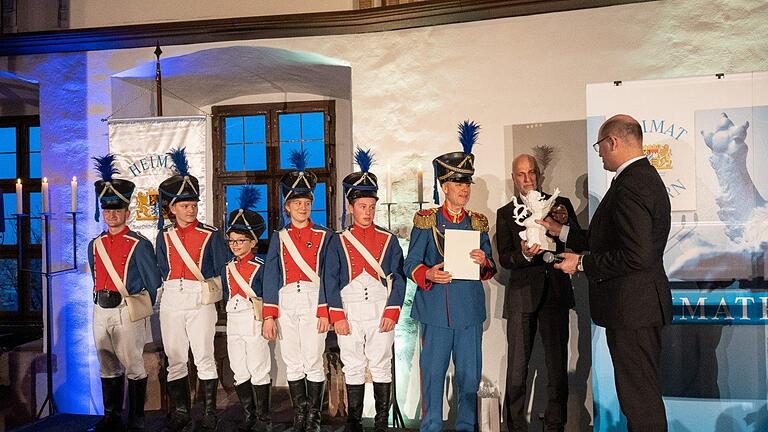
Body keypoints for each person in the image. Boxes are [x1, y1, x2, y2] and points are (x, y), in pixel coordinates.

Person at [538, 114, 672, 432]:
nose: (598, 153)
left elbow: (635, 255)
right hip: (636, 307)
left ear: (613, 142)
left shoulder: (632, 184)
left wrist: (582, 264)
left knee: (639, 400)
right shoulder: (641, 178)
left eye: (600, 145)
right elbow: (609, 239)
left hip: (632, 309)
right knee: (639, 397)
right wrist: (562, 231)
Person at [404, 121, 497, 432]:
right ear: (444, 186)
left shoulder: (478, 222)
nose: (464, 190)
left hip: (468, 309)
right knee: (432, 373)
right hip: (435, 309)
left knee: (470, 374)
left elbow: (490, 266)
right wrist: (428, 272)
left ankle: (467, 426)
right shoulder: (426, 221)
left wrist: (484, 260)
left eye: (467, 185)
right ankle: (431, 425)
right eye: (459, 184)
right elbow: (411, 263)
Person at [323, 148, 407, 432]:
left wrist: (393, 312)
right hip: (350, 310)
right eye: (362, 206)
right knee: (353, 365)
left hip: (380, 310)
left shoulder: (389, 239)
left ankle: (381, 422)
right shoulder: (338, 240)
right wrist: (338, 316)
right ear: (350, 207)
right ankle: (354, 422)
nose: (368, 212)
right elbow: (330, 279)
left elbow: (400, 277)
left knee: (381, 364)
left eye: (371, 206)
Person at [496, 154, 579, 432]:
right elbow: (505, 259)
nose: (527, 178)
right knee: (517, 370)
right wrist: (522, 253)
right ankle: (516, 426)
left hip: (555, 293)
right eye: (521, 174)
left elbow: (577, 240)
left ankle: (555, 425)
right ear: (513, 178)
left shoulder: (561, 205)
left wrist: (559, 231)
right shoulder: (505, 213)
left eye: (532, 173)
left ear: (539, 175)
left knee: (557, 369)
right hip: (521, 296)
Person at [155, 148, 230, 432]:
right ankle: (182, 412)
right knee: (175, 358)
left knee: (203, 356)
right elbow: (162, 266)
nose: (191, 209)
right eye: (185, 205)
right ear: (172, 208)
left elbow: (221, 269)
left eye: (193, 205)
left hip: (201, 298)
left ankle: (210, 412)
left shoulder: (210, 235)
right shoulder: (164, 236)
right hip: (173, 296)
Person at [87, 154, 162, 432]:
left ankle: (137, 418)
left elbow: (152, 281)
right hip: (100, 309)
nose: (112, 215)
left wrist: (138, 308)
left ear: (127, 212)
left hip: (126, 310)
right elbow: (96, 275)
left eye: (117, 210)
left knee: (133, 365)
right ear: (102, 213)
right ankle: (112, 416)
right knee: (107, 364)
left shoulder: (139, 244)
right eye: (107, 211)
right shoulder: (95, 244)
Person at [262, 149, 333, 432]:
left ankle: (314, 416)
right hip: (286, 299)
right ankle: (300, 414)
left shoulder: (325, 235)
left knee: (313, 359)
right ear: (287, 207)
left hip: (314, 299)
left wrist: (325, 308)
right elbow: (271, 276)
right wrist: (269, 314)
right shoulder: (279, 238)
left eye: (306, 202)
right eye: (296, 202)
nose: (303, 207)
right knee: (292, 360)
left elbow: (329, 275)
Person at [222, 186, 271, 432]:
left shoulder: (261, 265)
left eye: (241, 240)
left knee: (259, 368)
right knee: (239, 369)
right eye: (232, 240)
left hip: (255, 320)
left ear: (253, 241)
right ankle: (249, 415)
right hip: (233, 321)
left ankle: (263, 418)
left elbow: (267, 295)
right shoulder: (227, 266)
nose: (235, 245)